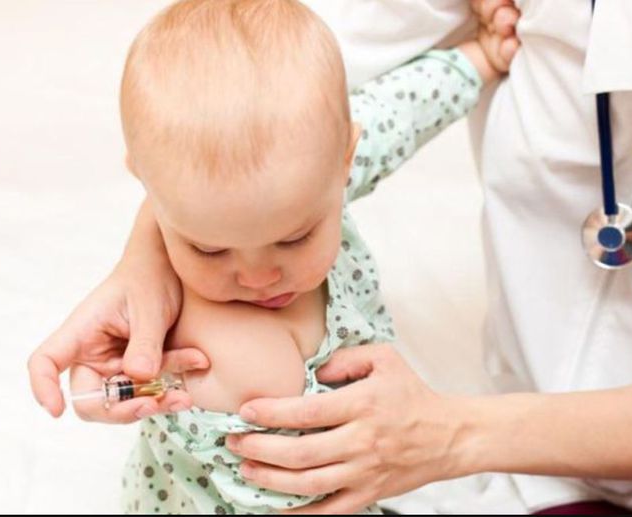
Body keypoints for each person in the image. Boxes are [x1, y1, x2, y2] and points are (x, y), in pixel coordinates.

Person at [29, 0, 517, 513]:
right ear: (148, 188)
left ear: (344, 160)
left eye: (295, 238)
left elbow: (398, 112)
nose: (258, 276)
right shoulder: (233, 360)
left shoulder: (303, 168)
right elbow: (298, 490)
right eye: (209, 248)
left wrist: (478, 60)